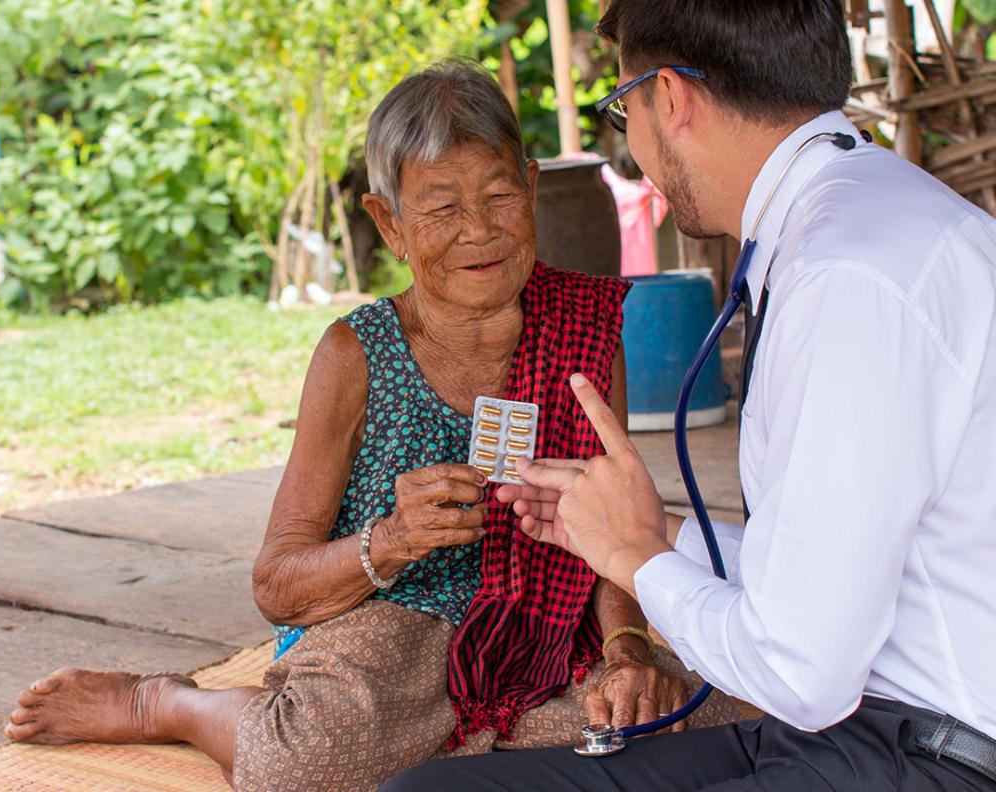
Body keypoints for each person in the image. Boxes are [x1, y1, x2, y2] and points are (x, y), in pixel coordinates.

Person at [1, 60, 736, 791]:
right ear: (390, 223)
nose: (478, 231)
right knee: (307, 761)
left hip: (550, 631)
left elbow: (615, 528)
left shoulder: (585, 327)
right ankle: (177, 704)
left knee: (711, 718)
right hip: (391, 631)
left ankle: (460, 744)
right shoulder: (355, 354)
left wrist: (628, 649)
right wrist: (393, 540)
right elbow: (277, 584)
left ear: (534, 187)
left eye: (499, 195)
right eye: (442, 209)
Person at [382, 2, 996, 791]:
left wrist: (633, 559)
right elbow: (823, 570)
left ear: (667, 98)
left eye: (622, 110)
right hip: (860, 734)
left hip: (924, 759)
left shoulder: (849, 276)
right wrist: (657, 532)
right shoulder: (864, 219)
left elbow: (801, 672)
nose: (633, 148)